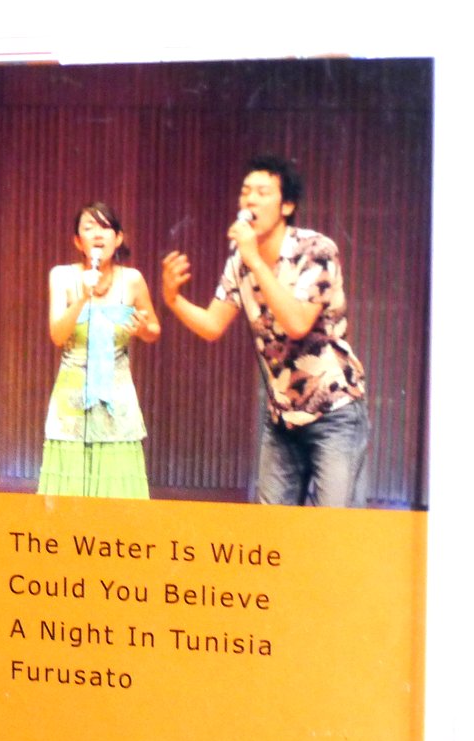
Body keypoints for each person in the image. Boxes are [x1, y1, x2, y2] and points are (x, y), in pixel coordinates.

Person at [161, 154, 368, 508]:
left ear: (287, 205)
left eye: (262, 192)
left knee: (334, 529)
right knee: (271, 529)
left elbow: (297, 323)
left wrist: (254, 260)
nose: (250, 200)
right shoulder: (240, 261)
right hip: (282, 417)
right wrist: (173, 299)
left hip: (334, 411)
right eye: (245, 192)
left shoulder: (316, 250)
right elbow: (212, 325)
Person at [37, 202, 160, 498]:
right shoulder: (62, 276)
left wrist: (141, 328)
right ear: (77, 241)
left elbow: (153, 329)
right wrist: (82, 297)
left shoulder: (132, 279)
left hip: (117, 398)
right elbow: (57, 335)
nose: (98, 234)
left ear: (118, 238)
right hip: (72, 397)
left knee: (116, 495)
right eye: (89, 228)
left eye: (105, 227)